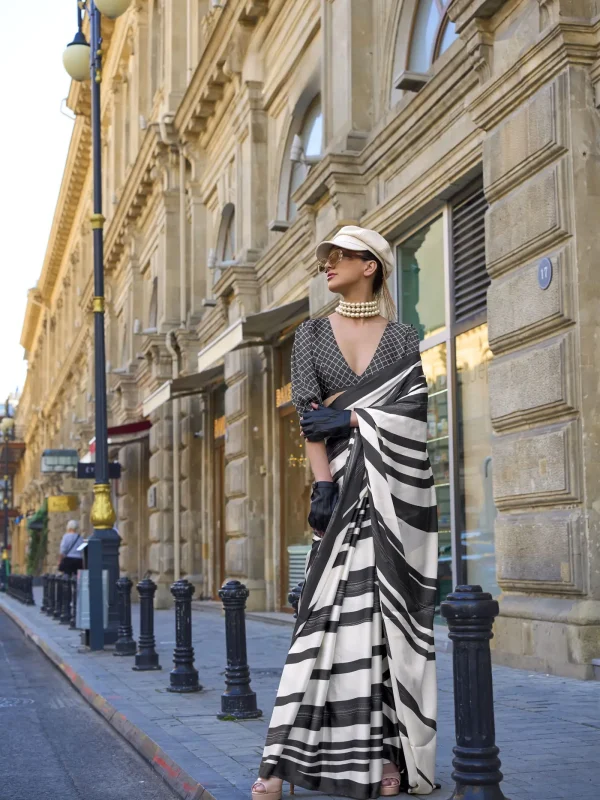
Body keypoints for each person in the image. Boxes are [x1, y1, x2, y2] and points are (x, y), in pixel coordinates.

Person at [252, 227, 438, 799]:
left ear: (371, 266)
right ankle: (276, 766)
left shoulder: (403, 336)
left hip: (392, 497)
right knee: (322, 623)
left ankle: (385, 765)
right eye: (326, 256)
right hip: (343, 497)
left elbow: (414, 413)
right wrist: (323, 485)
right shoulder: (309, 335)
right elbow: (310, 419)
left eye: (340, 255)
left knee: (385, 632)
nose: (328, 263)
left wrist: (354, 419)